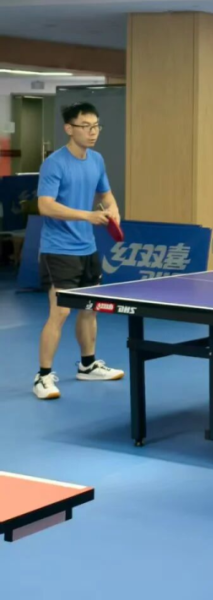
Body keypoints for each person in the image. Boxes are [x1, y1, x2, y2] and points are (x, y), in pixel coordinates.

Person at [33, 102, 125, 400]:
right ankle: (43, 376)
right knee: (60, 312)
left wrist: (113, 210)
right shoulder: (55, 163)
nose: (92, 132)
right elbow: (45, 205)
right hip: (59, 250)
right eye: (85, 126)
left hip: (88, 248)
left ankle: (88, 365)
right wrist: (87, 216)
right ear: (69, 129)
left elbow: (107, 195)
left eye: (96, 126)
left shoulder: (96, 160)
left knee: (89, 308)